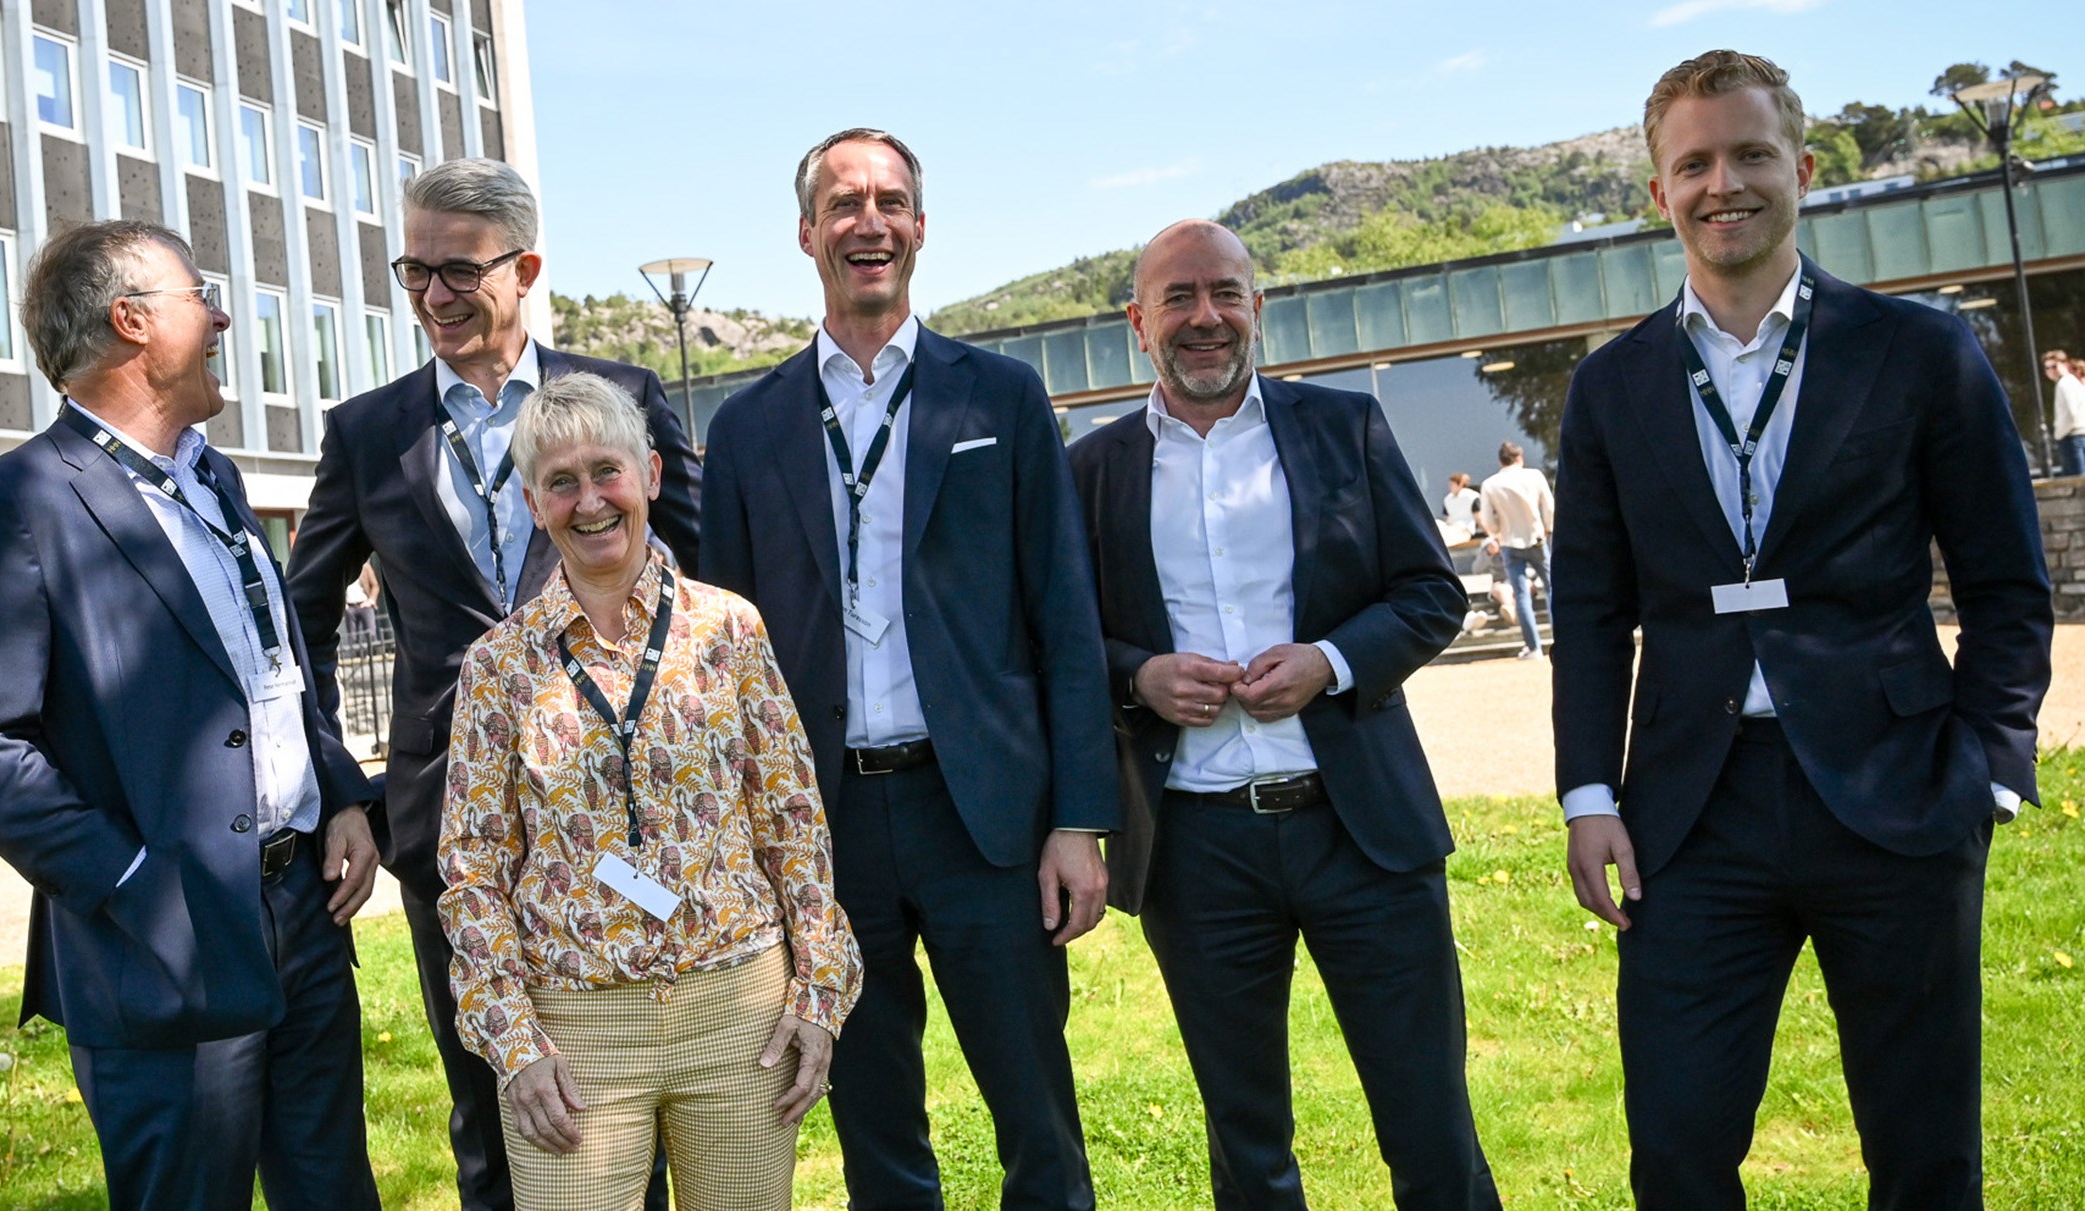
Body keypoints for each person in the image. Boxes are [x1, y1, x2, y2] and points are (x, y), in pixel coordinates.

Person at [1552, 51, 2052, 1211]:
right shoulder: (1612, 385)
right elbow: (1586, 609)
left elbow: (2005, 580)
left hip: (1895, 790)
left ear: (1804, 169)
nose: (1722, 183)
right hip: (1689, 813)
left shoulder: (1918, 348)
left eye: (1749, 154)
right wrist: (1588, 795)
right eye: (1693, 164)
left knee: (1924, 1151)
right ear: (1656, 192)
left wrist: (1988, 763)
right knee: (1675, 1148)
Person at [700, 128, 1120, 1211]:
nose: (867, 222)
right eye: (843, 204)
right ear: (806, 234)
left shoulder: (1003, 398)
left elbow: (1064, 620)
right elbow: (727, 660)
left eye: (889, 201)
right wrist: (750, 846)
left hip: (983, 814)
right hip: (822, 825)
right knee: (872, 1116)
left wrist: (1080, 817)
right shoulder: (746, 428)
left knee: (1037, 1108)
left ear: (920, 230)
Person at [0, 219, 384, 1211]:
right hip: (160, 946)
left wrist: (341, 794)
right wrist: (137, 883)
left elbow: (274, 667)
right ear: (133, 322)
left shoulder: (214, 478)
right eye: (201, 295)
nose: (222, 315)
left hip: (302, 911)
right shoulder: (14, 500)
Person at [286, 156, 701, 1211]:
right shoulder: (365, 432)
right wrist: (345, 786)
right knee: (492, 1106)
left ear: (525, 268)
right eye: (413, 271)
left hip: (623, 826)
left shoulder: (626, 399)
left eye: (458, 271)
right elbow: (302, 620)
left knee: (627, 1101)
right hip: (447, 829)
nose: (434, 295)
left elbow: (704, 587)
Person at [1067, 220, 1493, 1210]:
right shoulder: (1090, 473)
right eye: (1178, 298)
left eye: (1225, 292)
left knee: (1429, 1115)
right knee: (1246, 1136)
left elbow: (1431, 593)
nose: (1204, 316)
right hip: (1197, 846)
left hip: (1364, 832)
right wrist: (1139, 677)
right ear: (1139, 322)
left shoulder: (1343, 427)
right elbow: (1059, 640)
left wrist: (1331, 660)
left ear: (1258, 307)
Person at [439, 372, 863, 1211]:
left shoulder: (728, 628)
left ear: (652, 477)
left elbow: (794, 822)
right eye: (560, 482)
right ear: (532, 502)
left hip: (737, 1011)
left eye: (607, 471)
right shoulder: (499, 664)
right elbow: (472, 864)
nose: (589, 500)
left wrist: (817, 992)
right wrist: (515, 1041)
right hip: (574, 1030)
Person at [1476, 443, 1553, 659]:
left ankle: (1534, 647)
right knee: (1551, 588)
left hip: (1509, 542)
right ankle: (1563, 640)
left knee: (1520, 596)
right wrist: (1547, 528)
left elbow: (1488, 521)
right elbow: (1549, 507)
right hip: (1536, 537)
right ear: (1519, 457)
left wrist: (1498, 532)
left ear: (1501, 460)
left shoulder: (1490, 484)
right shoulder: (1534, 476)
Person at [2048, 350, 2084, 477]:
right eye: (2047, 368)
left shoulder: (2064, 383)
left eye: (2054, 366)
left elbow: (2071, 412)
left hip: (2072, 438)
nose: (2051, 370)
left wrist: (2059, 434)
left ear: (2065, 364)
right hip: (2077, 436)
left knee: (2077, 483)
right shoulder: (2073, 381)